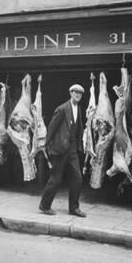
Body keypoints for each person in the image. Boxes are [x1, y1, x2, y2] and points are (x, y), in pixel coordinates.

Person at [38, 84, 87, 218]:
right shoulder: (62, 109)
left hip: (72, 149)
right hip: (60, 149)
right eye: (75, 92)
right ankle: (45, 205)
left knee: (77, 178)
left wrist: (79, 145)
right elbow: (52, 128)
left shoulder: (79, 108)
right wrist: (46, 146)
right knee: (56, 179)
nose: (78, 95)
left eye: (80, 93)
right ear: (70, 93)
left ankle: (74, 208)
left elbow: (78, 128)